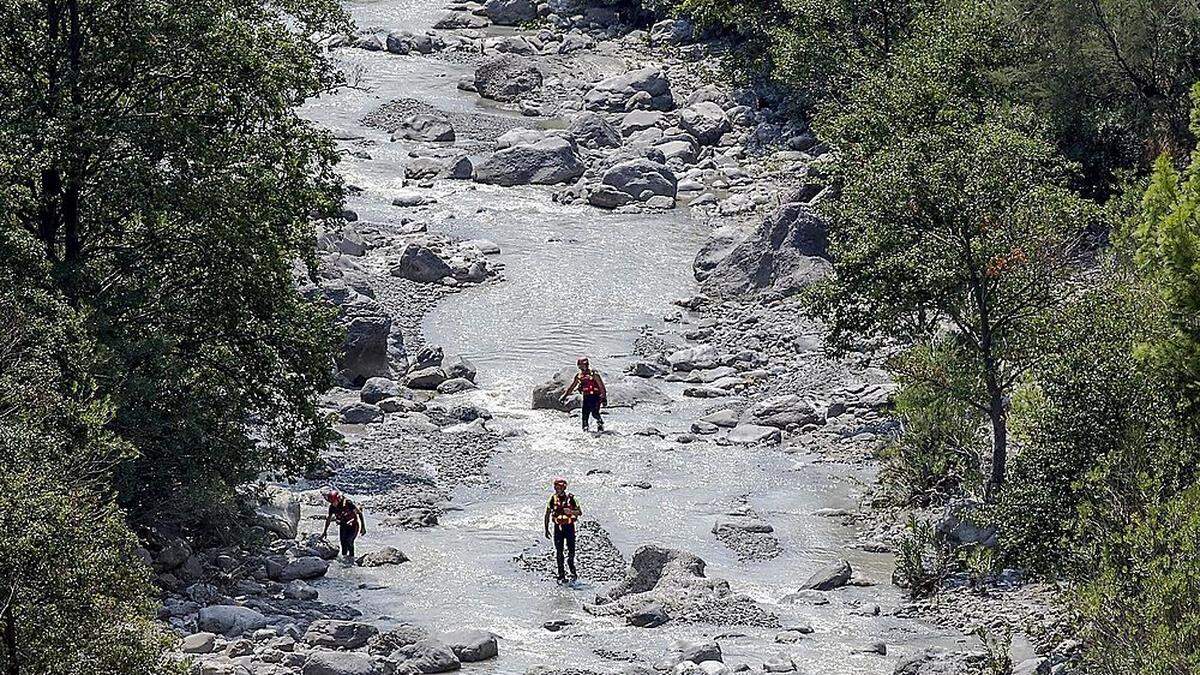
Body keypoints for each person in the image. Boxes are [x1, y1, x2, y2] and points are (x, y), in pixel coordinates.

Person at [543, 478, 582, 583]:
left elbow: (580, 512)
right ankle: (561, 575)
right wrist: (546, 529)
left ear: (563, 488)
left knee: (571, 552)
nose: (557, 489)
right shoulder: (552, 499)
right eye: (555, 487)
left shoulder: (572, 499)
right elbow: (547, 514)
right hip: (558, 528)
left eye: (559, 488)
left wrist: (571, 512)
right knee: (559, 552)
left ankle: (571, 567)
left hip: (569, 528)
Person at [559, 357, 607, 432]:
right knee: (585, 415)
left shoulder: (594, 374)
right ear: (579, 365)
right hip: (586, 397)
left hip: (596, 397)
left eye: (586, 364)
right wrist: (564, 396)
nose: (586, 365)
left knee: (595, 413)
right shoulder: (579, 376)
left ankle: (600, 422)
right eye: (583, 364)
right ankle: (585, 431)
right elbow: (571, 387)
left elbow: (601, 387)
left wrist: (604, 398)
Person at [322, 489, 366, 562]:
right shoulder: (332, 508)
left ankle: (352, 559)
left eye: (334, 502)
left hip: (353, 525)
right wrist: (325, 531)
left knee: (349, 541)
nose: (333, 504)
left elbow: (359, 513)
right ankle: (344, 561)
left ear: (338, 499)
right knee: (343, 545)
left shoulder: (348, 503)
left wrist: (363, 527)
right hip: (343, 525)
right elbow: (328, 519)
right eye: (331, 502)